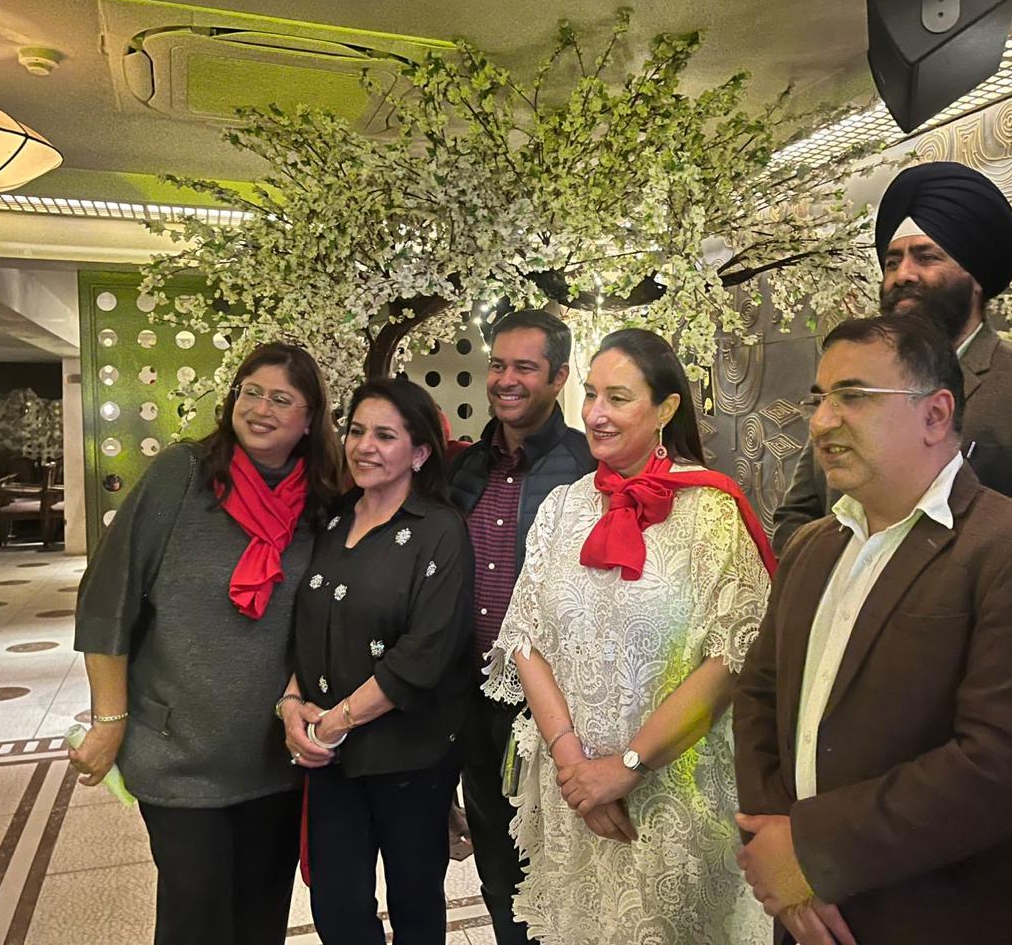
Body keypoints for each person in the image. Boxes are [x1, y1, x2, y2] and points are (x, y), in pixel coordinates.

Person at [733, 313, 1012, 945]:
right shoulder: (813, 547)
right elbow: (759, 697)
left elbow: (1005, 764)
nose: (821, 421)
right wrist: (778, 849)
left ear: (935, 415)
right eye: (819, 398)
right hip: (809, 915)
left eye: (853, 396)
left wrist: (812, 851)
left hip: (949, 916)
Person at [483, 328, 778, 945]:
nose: (595, 414)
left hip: (672, 795)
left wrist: (627, 766)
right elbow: (525, 639)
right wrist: (574, 764)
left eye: (617, 398)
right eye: (591, 395)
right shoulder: (562, 508)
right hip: (573, 793)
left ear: (666, 408)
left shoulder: (711, 512)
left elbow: (733, 656)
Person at [72, 342, 341, 945]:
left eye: (282, 399)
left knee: (259, 921)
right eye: (251, 392)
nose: (261, 408)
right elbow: (108, 597)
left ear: (309, 419)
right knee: (194, 918)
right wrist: (109, 721)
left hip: (274, 755)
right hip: (179, 752)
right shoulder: (184, 475)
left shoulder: (322, 500)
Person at [772, 161, 1012, 554]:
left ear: (976, 276)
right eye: (892, 262)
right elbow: (796, 517)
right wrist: (845, 576)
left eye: (926, 258)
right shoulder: (851, 383)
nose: (903, 275)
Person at [283, 376, 473, 945]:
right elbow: (303, 627)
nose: (364, 446)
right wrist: (291, 704)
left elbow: (424, 653)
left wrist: (335, 722)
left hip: (408, 754)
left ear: (419, 453)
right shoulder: (331, 518)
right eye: (357, 431)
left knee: (415, 904)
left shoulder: (440, 530)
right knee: (337, 908)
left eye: (385, 436)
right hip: (329, 756)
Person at [448, 309, 594, 944]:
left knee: (562, 862)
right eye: (498, 365)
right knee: (498, 865)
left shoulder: (588, 466)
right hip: (472, 700)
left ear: (559, 377)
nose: (506, 380)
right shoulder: (464, 471)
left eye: (525, 368)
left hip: (557, 707)